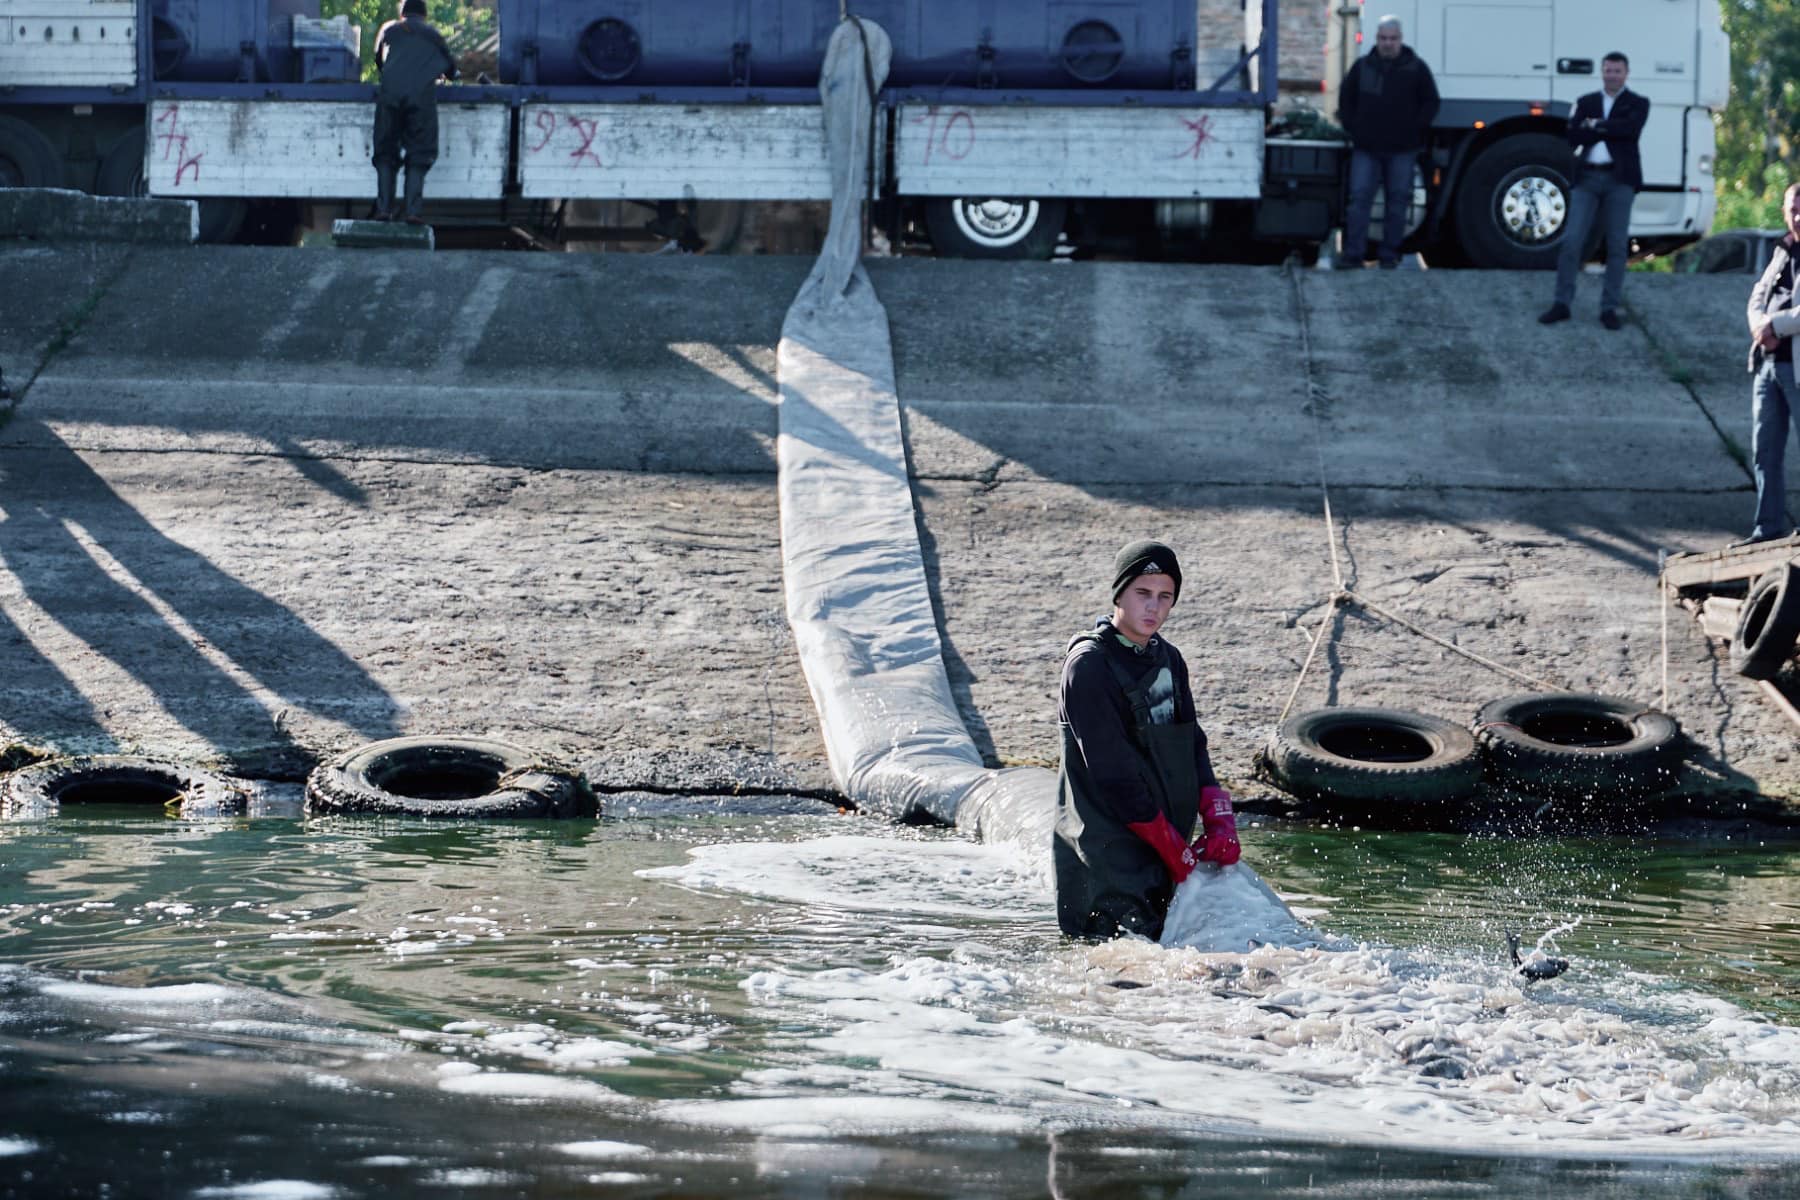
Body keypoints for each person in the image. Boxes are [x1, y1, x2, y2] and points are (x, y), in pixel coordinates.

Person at [1054, 540, 1240, 942]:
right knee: (1116, 963)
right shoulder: (1088, 666)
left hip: (1165, 857)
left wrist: (1218, 814)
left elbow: (1193, 744)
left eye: (1165, 596)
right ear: (1119, 594)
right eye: (1142, 593)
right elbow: (1113, 774)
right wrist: (1169, 845)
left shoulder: (1169, 660)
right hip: (1109, 860)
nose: (1153, 607)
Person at [1538, 52, 1649, 331]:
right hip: (1587, 178)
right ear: (1602, 72)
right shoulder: (1586, 101)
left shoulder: (1638, 103)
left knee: (1616, 245)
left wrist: (1596, 125)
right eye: (1608, 70)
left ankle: (1609, 308)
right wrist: (1607, 128)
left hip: (1619, 180)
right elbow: (1573, 135)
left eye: (1617, 71)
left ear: (1626, 73)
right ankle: (1562, 303)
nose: (1612, 76)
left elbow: (1630, 130)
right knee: (1571, 241)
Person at [1334, 15, 1439, 270]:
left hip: (1402, 149)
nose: (1388, 43)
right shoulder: (1362, 67)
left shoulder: (1416, 68)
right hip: (1366, 148)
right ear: (1377, 39)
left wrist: (1414, 129)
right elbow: (1346, 99)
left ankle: (1389, 256)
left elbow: (1431, 102)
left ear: (1400, 39)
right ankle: (1353, 255)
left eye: (1392, 39)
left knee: (1397, 203)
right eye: (1383, 38)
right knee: (1359, 200)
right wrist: (1354, 129)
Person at [1732, 183, 1800, 547]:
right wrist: (1760, 326)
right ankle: (1767, 528)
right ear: (1784, 212)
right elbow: (1757, 296)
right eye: (1793, 210)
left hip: (1797, 367)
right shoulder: (1782, 249)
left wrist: (1776, 325)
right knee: (1765, 451)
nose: (1798, 217)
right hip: (1768, 365)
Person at [371, 0, 459, 223]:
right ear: (424, 14)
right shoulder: (433, 35)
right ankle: (412, 212)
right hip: (420, 100)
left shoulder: (389, 30)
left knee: (385, 153)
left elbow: (379, 61)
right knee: (419, 154)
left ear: (402, 13)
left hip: (389, 97)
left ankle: (384, 210)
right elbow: (452, 70)